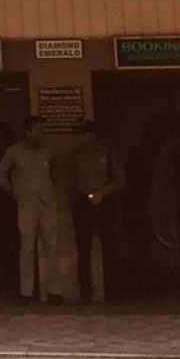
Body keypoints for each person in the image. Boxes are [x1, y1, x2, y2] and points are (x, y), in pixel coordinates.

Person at [0, 116, 60, 304]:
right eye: (37, 129)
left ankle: (54, 290)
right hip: (26, 204)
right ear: (28, 131)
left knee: (51, 245)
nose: (41, 133)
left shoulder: (49, 151)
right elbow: (1, 172)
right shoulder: (15, 151)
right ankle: (26, 292)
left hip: (47, 203)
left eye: (43, 130)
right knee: (27, 246)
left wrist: (49, 189)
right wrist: (11, 190)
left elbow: (55, 173)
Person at [68, 122, 126, 304]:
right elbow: (72, 180)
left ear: (93, 135)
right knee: (83, 247)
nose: (81, 138)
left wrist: (103, 193)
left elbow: (120, 179)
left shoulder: (107, 153)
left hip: (103, 200)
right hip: (83, 200)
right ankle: (86, 292)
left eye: (84, 135)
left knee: (109, 246)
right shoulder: (77, 155)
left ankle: (113, 293)